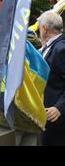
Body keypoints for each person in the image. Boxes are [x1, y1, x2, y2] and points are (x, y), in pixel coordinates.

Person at [38, 11, 65, 146]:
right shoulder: (49, 46)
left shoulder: (61, 48)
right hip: (47, 117)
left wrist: (59, 107)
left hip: (58, 119)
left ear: (44, 28)